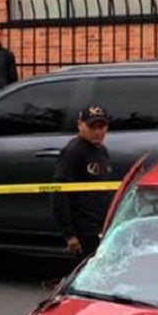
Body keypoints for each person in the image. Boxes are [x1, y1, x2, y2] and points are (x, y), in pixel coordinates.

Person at [53, 104, 114, 258]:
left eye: (101, 127)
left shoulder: (101, 150)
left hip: (100, 225)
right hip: (83, 229)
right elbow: (59, 194)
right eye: (92, 127)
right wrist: (69, 234)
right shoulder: (73, 152)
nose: (97, 132)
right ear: (80, 125)